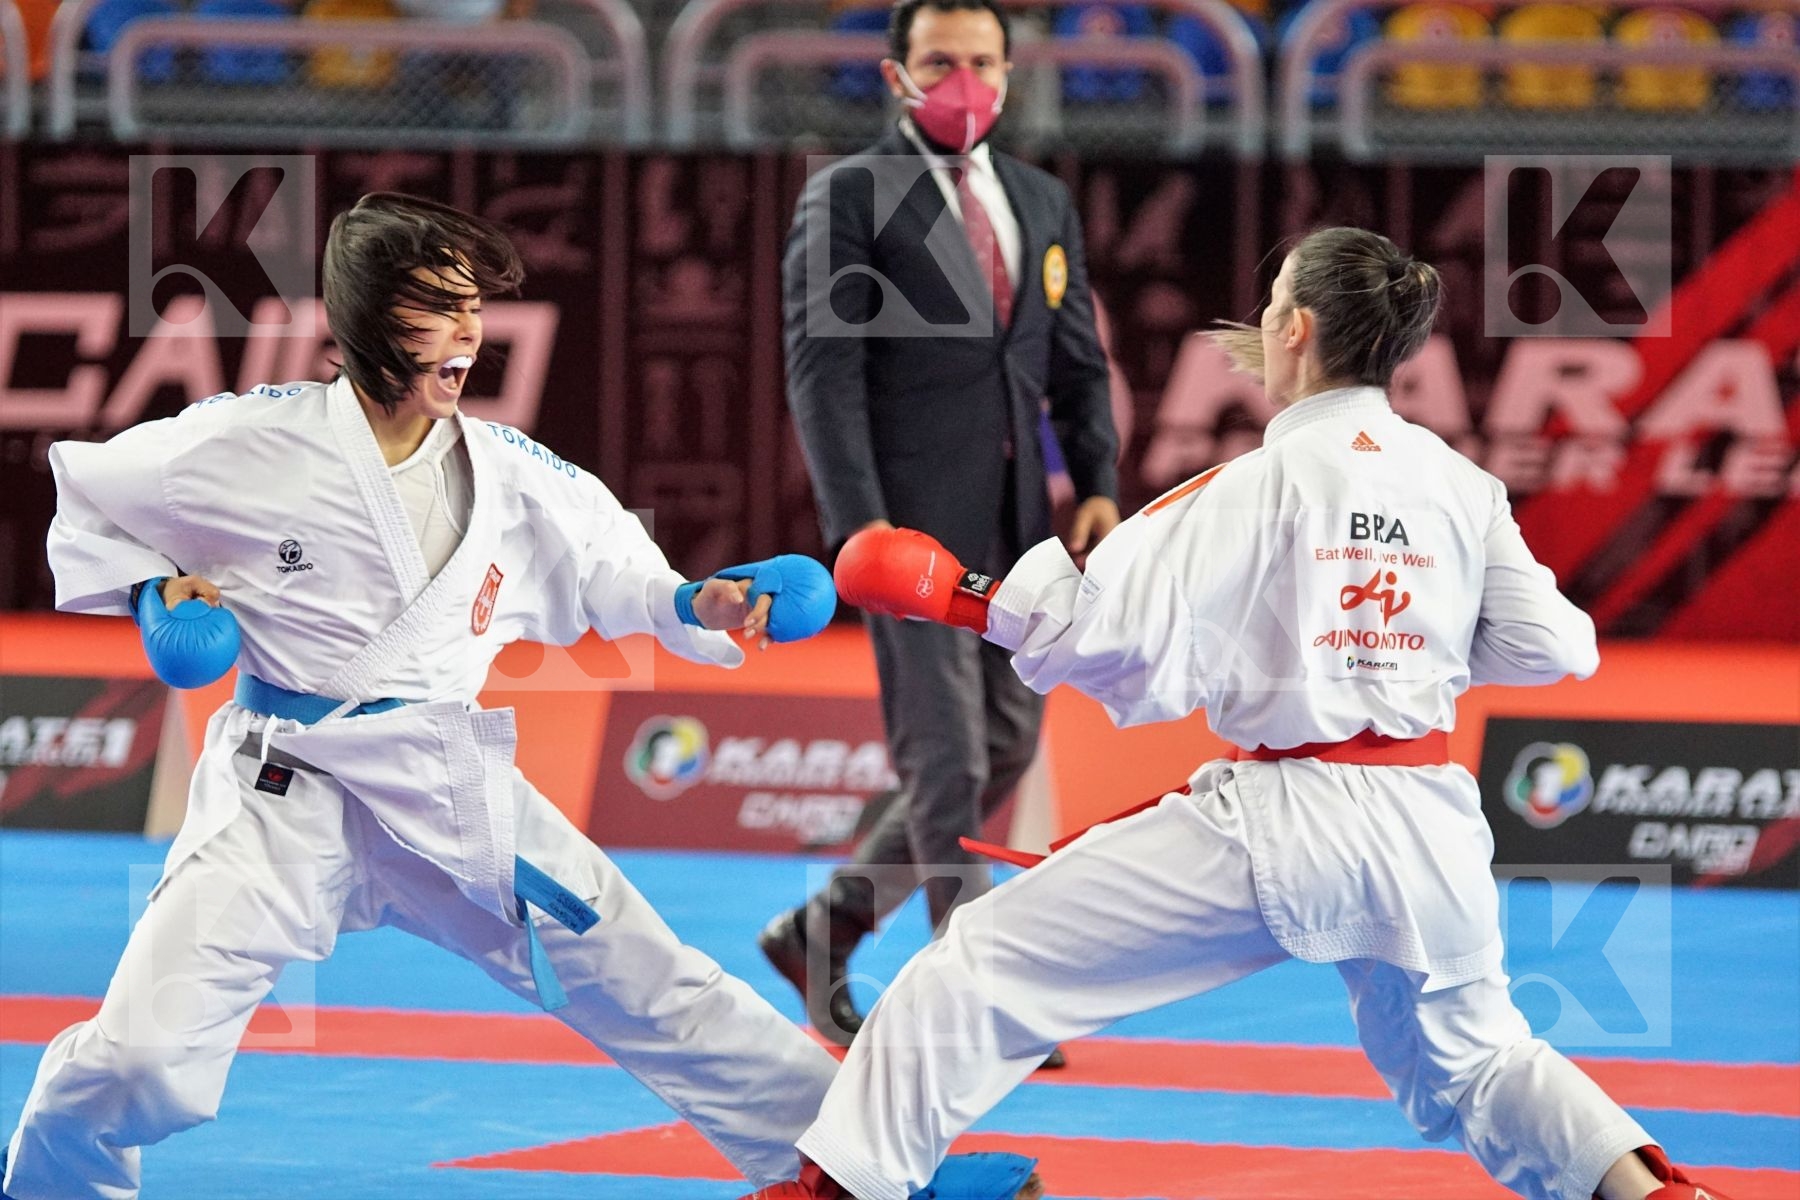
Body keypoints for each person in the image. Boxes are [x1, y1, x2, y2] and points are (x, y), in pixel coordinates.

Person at [741, 227, 1735, 1200]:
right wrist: (1394, 655)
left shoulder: (1257, 485)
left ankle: (838, 1189)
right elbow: (1557, 646)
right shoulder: (1460, 487)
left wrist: (957, 593)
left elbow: (1104, 635)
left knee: (981, 964)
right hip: (1429, 824)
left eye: (1270, 306)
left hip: (1287, 820)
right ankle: (1655, 1194)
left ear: (1295, 327)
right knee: (1479, 1064)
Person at [0, 193, 843, 1199]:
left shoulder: (508, 468)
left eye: (473, 308)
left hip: (446, 786)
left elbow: (617, 574)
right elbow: (89, 494)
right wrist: (154, 592)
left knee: (645, 975)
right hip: (281, 788)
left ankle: (851, 1162)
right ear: (364, 321)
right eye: (439, 310)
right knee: (141, 1056)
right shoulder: (241, 442)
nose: (469, 335)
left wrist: (697, 599)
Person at [767, 0, 1121, 1060]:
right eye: (938, 61)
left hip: (1018, 531)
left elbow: (1073, 357)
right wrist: (859, 531)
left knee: (1006, 741)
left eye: (979, 61)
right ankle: (975, 1004)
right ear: (897, 75)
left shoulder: (1039, 198)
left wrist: (1095, 478)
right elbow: (821, 375)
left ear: (1009, 76)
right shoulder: (850, 195)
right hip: (905, 533)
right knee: (948, 759)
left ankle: (822, 931)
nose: (960, 78)